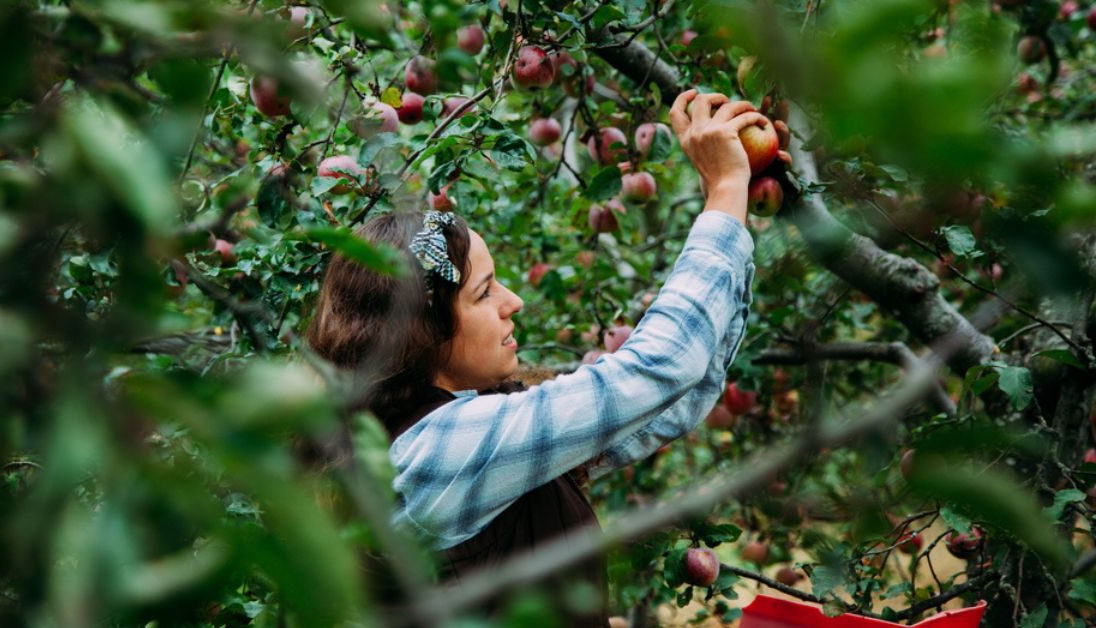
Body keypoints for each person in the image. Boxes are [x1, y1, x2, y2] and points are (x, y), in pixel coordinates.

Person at [306, 90, 768, 626]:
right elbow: (658, 369)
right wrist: (728, 190)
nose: (513, 302)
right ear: (421, 331)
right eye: (483, 293)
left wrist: (729, 202)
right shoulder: (433, 453)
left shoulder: (466, 428)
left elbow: (667, 401)